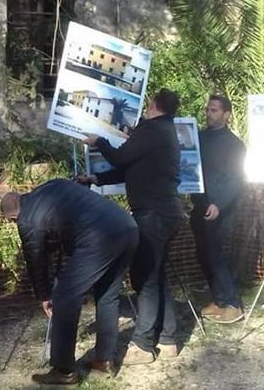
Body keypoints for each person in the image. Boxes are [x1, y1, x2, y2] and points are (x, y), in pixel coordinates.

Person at [79, 88, 185, 365]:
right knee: (158, 276)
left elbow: (119, 158)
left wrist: (99, 141)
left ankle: (142, 344)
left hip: (153, 214)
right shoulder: (164, 131)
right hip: (167, 213)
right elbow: (129, 167)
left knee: (145, 278)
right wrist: (95, 179)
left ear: (152, 105)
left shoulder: (150, 130)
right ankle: (169, 339)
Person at [1, 179, 138, 384]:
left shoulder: (27, 219)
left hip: (98, 237)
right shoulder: (50, 188)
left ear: (12, 216)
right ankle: (104, 359)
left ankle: (63, 370)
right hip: (127, 227)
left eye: (13, 222)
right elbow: (56, 243)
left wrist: (45, 295)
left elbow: (35, 259)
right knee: (107, 294)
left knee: (64, 298)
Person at [191, 95, 246, 323]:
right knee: (202, 255)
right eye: (207, 109)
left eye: (214, 110)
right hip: (200, 205)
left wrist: (219, 204)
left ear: (226, 114)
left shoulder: (235, 145)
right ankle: (219, 300)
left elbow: (236, 179)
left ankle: (233, 304)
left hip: (221, 208)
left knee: (215, 255)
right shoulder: (198, 138)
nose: (208, 113)